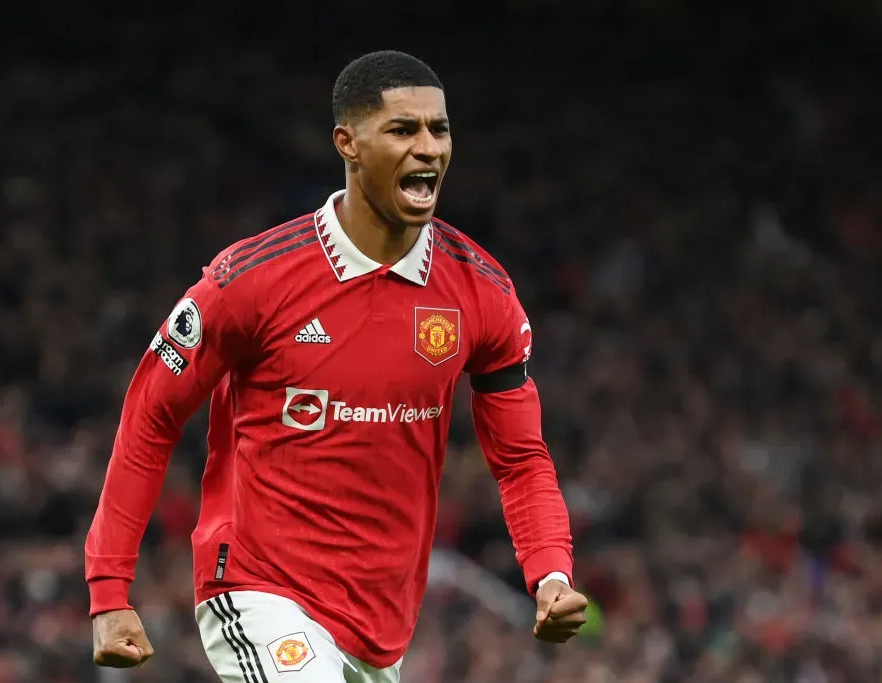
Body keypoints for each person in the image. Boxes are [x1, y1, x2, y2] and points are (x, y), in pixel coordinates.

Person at [85, 49, 588, 682]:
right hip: (256, 586)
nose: (429, 148)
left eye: (440, 129)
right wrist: (109, 590)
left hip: (381, 624)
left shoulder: (481, 292)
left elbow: (520, 458)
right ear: (347, 143)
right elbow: (150, 416)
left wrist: (550, 571)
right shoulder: (251, 281)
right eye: (404, 130)